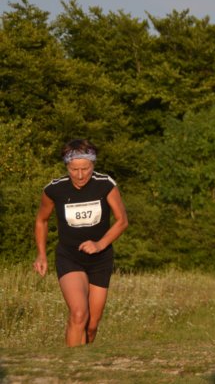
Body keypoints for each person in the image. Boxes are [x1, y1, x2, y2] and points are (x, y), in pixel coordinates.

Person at [33, 139, 129, 347]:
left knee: (92, 325)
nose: (79, 175)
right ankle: (71, 365)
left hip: (100, 259)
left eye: (85, 169)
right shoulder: (54, 189)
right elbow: (41, 220)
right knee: (78, 314)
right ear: (66, 166)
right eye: (74, 169)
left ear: (93, 164)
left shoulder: (105, 185)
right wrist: (41, 254)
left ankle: (85, 361)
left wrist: (100, 244)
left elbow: (122, 221)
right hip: (70, 258)